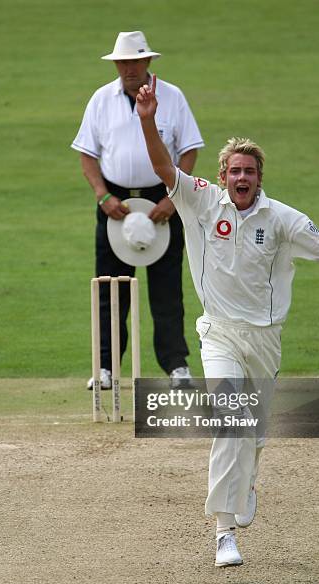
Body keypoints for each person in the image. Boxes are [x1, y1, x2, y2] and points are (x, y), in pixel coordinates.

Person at [136, 75, 319, 567]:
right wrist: (149, 119)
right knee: (231, 424)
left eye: (250, 172)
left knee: (253, 436)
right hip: (218, 333)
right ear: (221, 176)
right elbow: (161, 166)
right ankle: (223, 532)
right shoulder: (198, 200)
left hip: (264, 339)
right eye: (235, 171)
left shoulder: (281, 218)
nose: (242, 179)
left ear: (260, 177)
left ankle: (247, 485)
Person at [71, 31, 204, 389]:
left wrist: (173, 198)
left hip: (162, 200)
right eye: (122, 62)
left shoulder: (172, 97)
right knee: (111, 288)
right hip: (115, 203)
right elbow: (87, 154)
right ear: (116, 64)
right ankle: (105, 368)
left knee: (167, 288)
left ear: (147, 62)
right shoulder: (100, 99)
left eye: (134, 61)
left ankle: (176, 366)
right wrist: (102, 195)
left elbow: (189, 150)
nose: (128, 68)